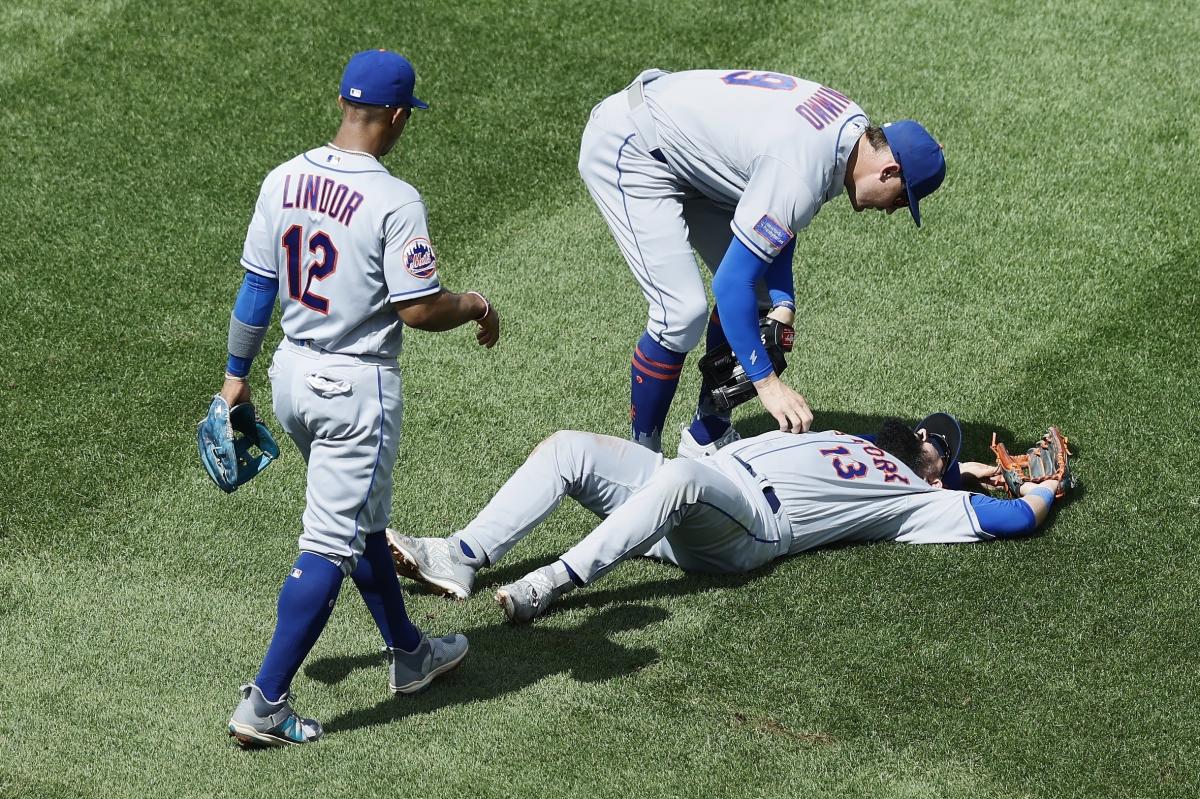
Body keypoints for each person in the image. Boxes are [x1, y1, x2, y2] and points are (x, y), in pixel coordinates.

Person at [218, 49, 500, 747]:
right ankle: (265, 703)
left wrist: (234, 376)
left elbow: (258, 286)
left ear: (345, 104)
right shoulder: (394, 199)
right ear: (398, 117)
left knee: (363, 519)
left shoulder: (283, 176)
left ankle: (409, 654)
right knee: (328, 543)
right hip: (354, 391)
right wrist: (474, 305)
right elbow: (417, 308)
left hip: (289, 374)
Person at [576, 69, 946, 456]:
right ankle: (639, 460)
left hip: (690, 152)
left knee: (763, 302)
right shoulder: (804, 168)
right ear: (890, 171)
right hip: (633, 145)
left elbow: (781, 216)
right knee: (681, 313)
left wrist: (784, 301)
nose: (891, 211)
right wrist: (768, 385)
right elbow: (732, 282)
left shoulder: (853, 134)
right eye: (902, 199)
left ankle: (708, 432)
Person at [386, 414, 1068, 623]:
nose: (924, 435)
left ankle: (552, 584)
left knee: (681, 479)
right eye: (930, 434)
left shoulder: (918, 500)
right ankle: (461, 555)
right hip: (693, 494)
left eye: (936, 444)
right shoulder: (839, 438)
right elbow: (703, 441)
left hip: (743, 530)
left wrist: (1044, 490)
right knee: (568, 448)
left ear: (934, 465)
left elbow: (1008, 522)